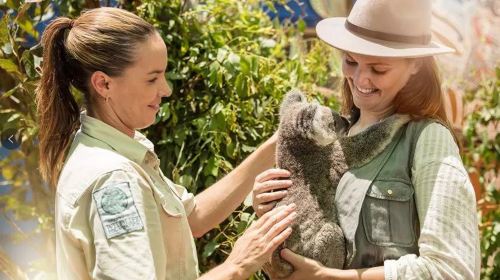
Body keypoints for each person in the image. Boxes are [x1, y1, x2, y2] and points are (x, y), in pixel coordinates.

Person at [35, 7, 297, 280]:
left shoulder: (114, 147)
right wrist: (237, 266)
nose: (166, 90)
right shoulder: (114, 179)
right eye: (152, 79)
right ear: (103, 84)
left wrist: (277, 143)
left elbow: (191, 217)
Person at [252, 0, 481, 279]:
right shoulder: (327, 137)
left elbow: (452, 270)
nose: (360, 78)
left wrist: (329, 278)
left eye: (379, 69)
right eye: (350, 61)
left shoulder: (428, 139)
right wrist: (274, 216)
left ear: (415, 67)